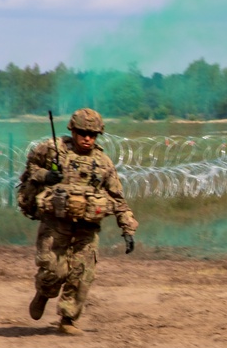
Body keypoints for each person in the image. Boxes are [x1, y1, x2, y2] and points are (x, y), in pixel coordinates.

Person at [19, 107, 138, 335]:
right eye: (83, 132)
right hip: (56, 224)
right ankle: (44, 292)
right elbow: (30, 168)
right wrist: (46, 176)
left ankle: (68, 320)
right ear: (73, 131)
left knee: (82, 273)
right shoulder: (53, 150)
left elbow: (116, 197)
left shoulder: (102, 163)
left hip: (87, 227)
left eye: (92, 134)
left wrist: (127, 227)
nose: (87, 138)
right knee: (55, 271)